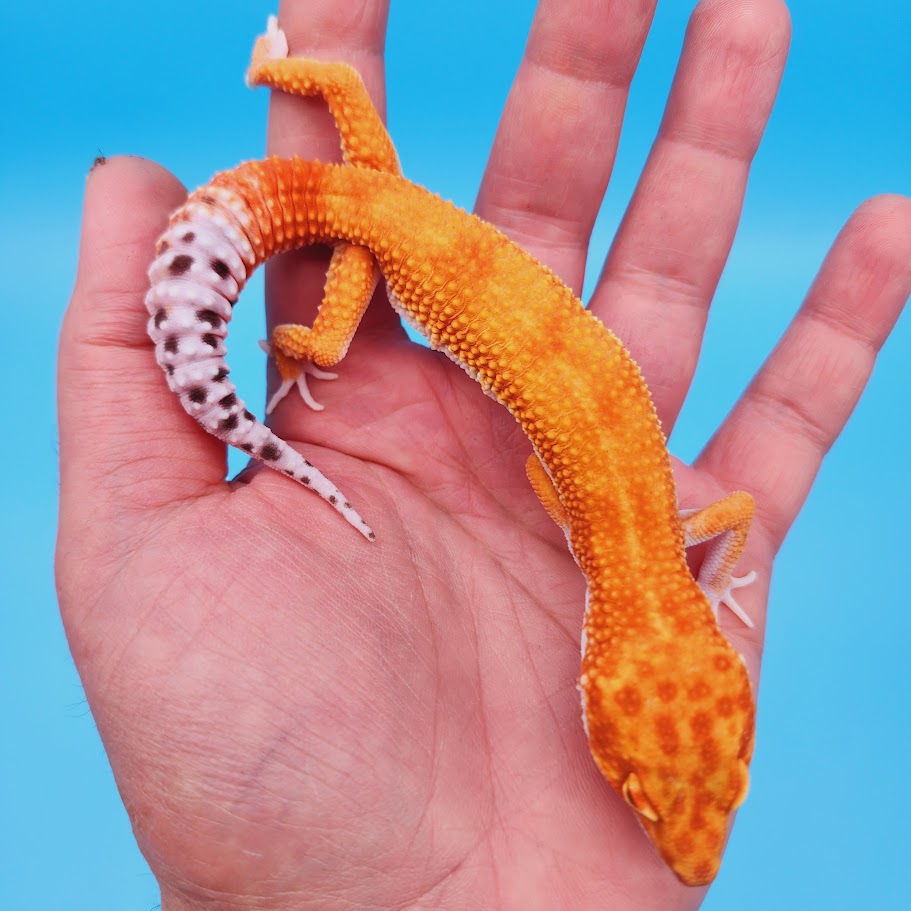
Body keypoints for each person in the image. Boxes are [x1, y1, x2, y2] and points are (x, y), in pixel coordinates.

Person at [56, 0, 910, 907]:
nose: (698, 859)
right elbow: (553, 476)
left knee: (346, 113)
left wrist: (705, 571)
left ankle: (281, 67)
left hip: (391, 209)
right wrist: (308, 347)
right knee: (335, 335)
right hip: (372, 233)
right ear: (593, 680)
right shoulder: (626, 541)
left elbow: (697, 510)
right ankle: (303, 290)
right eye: (645, 790)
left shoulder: (679, 530)